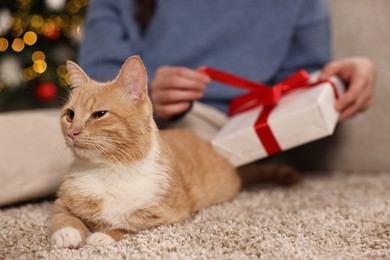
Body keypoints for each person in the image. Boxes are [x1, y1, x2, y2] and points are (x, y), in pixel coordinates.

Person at [78, 0, 375, 141]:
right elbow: (93, 79)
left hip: (236, 124)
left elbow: (301, 83)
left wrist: (340, 77)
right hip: (133, 118)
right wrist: (150, 93)